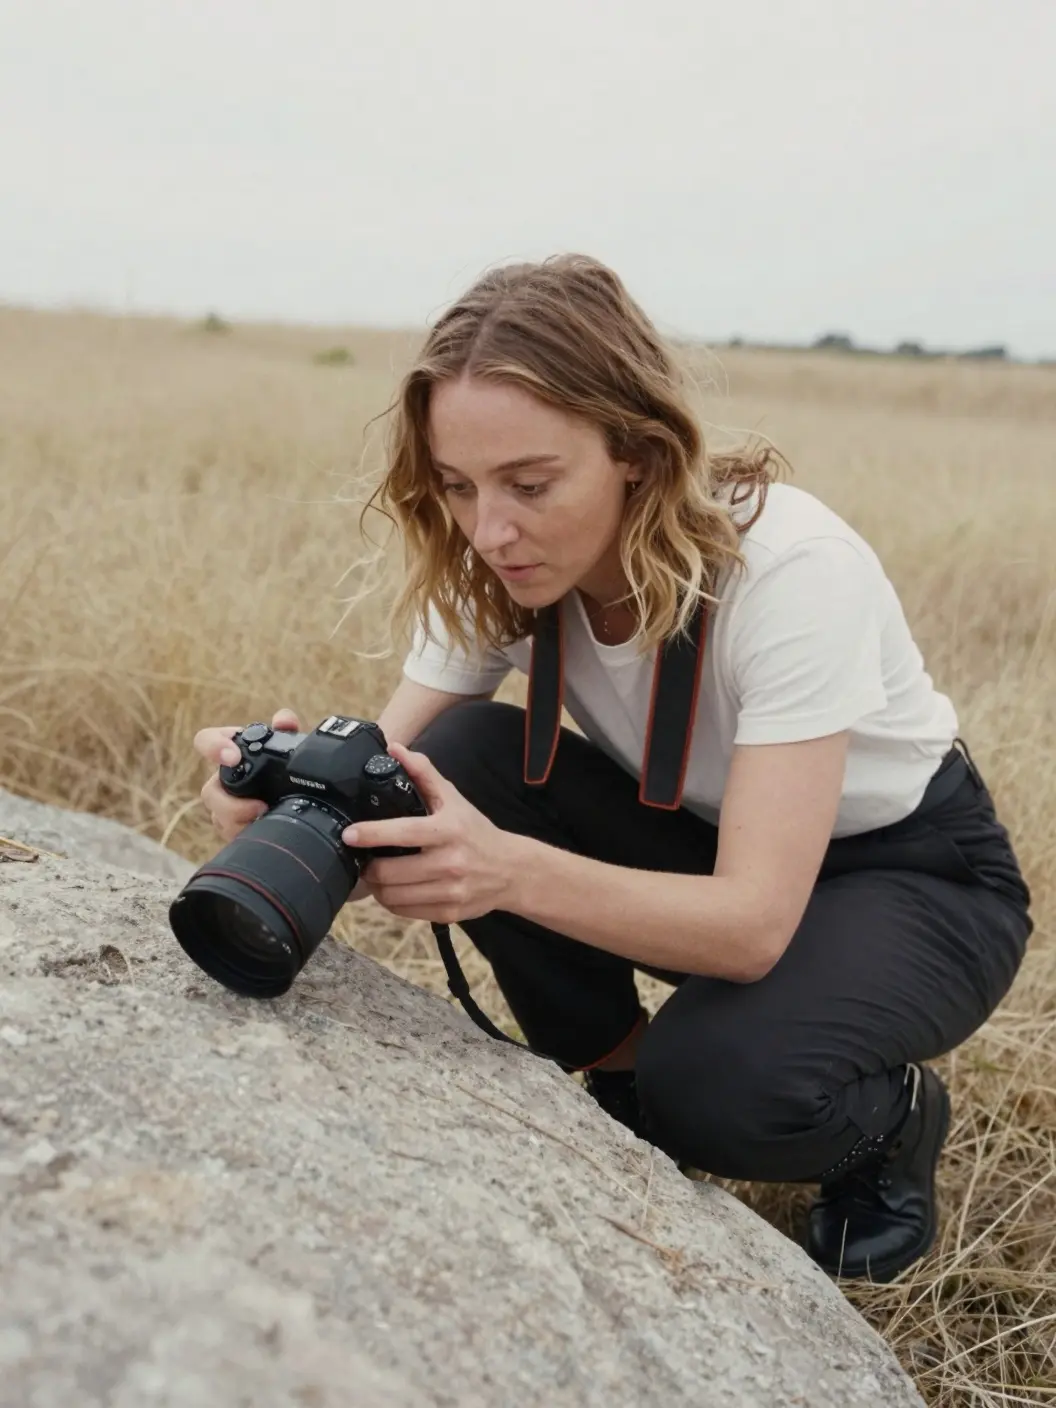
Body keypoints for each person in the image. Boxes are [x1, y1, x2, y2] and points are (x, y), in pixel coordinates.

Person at [194, 253, 1032, 1285]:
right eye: (458, 485)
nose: (490, 529)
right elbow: (393, 754)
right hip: (711, 835)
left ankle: (891, 1124)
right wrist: (289, 796)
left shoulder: (790, 569)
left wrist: (499, 871)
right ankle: (619, 1074)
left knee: (718, 1086)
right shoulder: (499, 564)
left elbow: (753, 922)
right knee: (454, 759)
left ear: (636, 449)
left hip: (912, 878)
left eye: (531, 483)